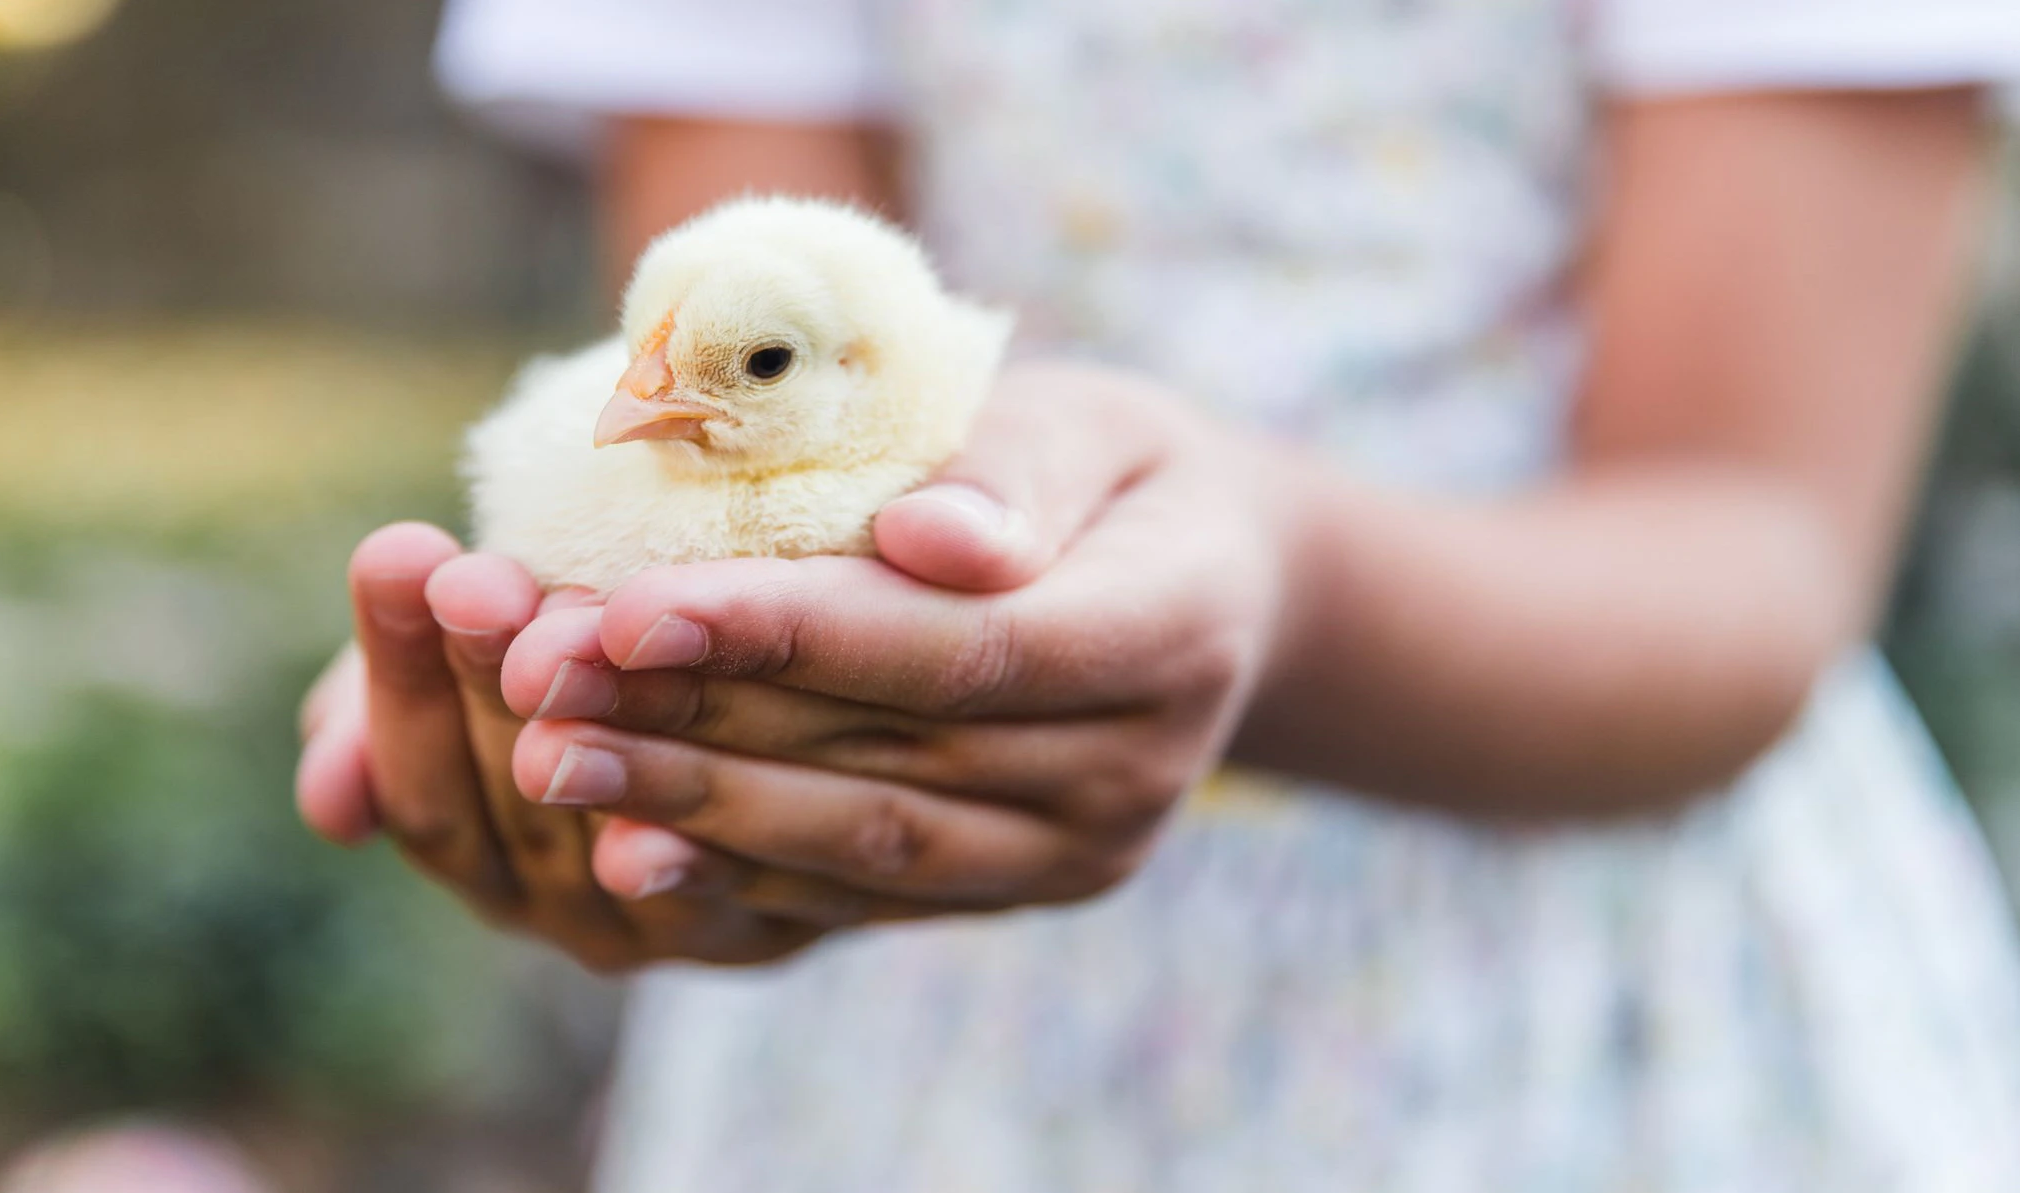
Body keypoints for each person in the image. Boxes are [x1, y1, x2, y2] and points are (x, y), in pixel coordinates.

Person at [296, 0, 2020, 1187]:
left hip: (1620, 1017)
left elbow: (1746, 535)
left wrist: (1271, 574)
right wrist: (688, 745)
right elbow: (737, 368)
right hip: (921, 1008)